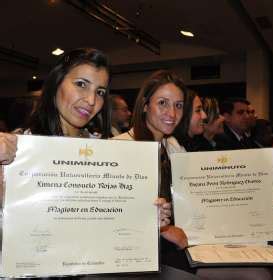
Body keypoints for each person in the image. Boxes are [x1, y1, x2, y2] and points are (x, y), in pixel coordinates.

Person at [0, 47, 171, 225]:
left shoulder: (106, 151)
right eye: (81, 84)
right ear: (56, 83)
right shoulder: (17, 149)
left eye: (100, 92)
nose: (91, 100)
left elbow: (106, 217)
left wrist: (144, 217)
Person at [113, 70, 191, 272]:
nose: (172, 114)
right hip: (133, 253)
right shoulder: (118, 148)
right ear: (145, 105)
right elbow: (110, 211)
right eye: (163, 103)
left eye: (179, 105)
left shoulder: (172, 146)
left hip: (172, 243)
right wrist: (163, 229)